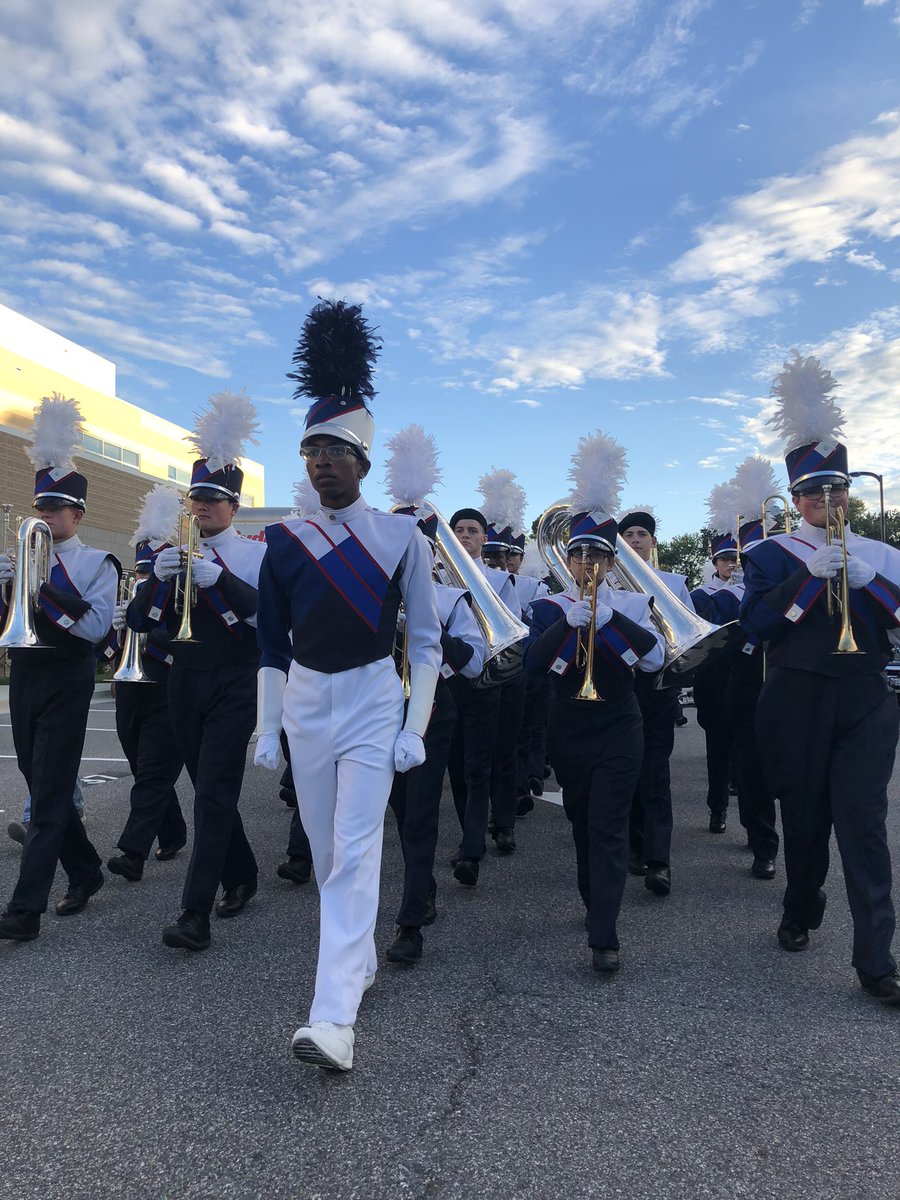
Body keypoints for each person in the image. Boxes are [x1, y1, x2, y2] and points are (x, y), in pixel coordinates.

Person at [255, 300, 441, 1071]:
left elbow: (425, 641)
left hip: (371, 698)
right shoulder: (285, 541)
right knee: (330, 854)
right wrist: (268, 725)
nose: (322, 461)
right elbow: (270, 640)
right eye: (311, 451)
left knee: (358, 850)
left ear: (362, 462)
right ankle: (356, 959)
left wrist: (415, 727)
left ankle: (334, 1020)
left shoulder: (403, 538)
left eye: (336, 448)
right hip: (305, 701)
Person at [741, 352, 900, 1005]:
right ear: (797, 500)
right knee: (805, 825)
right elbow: (756, 627)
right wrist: (807, 581)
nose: (826, 501)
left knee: (863, 823)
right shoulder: (770, 554)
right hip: (796, 695)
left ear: (848, 494)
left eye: (836, 490)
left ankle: (876, 959)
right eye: (814, 493)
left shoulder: (882, 554)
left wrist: (872, 586)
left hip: (865, 696)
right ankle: (800, 905)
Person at [127, 390, 266, 952]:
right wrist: (158, 579)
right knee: (207, 787)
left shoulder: (256, 553)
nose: (203, 506)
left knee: (213, 791)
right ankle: (242, 872)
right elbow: (139, 621)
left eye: (214, 498)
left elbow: (267, 619)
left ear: (233, 504)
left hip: (236, 675)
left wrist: (222, 581)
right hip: (182, 677)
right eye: (196, 498)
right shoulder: (173, 551)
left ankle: (194, 913)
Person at [525, 432, 664, 973]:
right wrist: (568, 623)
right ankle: (593, 901)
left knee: (608, 824)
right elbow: (537, 666)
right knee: (583, 824)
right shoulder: (548, 603)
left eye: (597, 555)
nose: (587, 562)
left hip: (618, 724)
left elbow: (652, 661)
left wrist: (609, 623)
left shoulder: (634, 601)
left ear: (610, 562)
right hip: (569, 724)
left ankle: (605, 932)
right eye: (580, 553)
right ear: (569, 558)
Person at [0, 394, 118, 942]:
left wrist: (42, 585)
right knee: (38, 780)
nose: (44, 516)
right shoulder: (26, 557)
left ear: (78, 514)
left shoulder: (98, 563)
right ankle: (86, 868)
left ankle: (24, 911)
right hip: (24, 676)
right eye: (40, 507)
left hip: (68, 677)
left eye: (54, 509)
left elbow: (96, 630)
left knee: (48, 798)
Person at [106, 484, 187, 882]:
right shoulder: (133, 593)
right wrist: (116, 631)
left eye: (147, 570)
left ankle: (132, 853)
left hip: (167, 687)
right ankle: (172, 831)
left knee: (154, 772)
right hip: (130, 689)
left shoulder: (176, 593)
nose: (141, 577)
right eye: (138, 570)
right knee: (142, 769)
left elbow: (180, 640)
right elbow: (103, 654)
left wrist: (147, 630)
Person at [618, 507, 692, 895]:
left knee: (656, 773)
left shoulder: (674, 582)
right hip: (619, 686)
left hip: (658, 686)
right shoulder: (607, 583)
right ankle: (634, 845)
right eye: (627, 535)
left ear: (652, 542)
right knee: (627, 771)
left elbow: (688, 635)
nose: (634, 540)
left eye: (641, 535)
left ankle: (659, 859)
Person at [445, 506, 520, 880]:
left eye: (472, 530)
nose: (464, 535)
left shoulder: (500, 580)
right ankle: (468, 835)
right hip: (447, 679)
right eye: (458, 529)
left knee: (479, 765)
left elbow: (514, 627)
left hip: (487, 679)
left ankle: (472, 849)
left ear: (484, 538)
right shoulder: (437, 576)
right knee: (456, 765)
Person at [691, 512, 739, 834]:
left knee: (750, 750)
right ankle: (717, 808)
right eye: (725, 559)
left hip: (748, 677)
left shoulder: (755, 589)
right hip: (715, 679)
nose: (731, 564)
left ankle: (755, 824)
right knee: (718, 747)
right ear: (715, 562)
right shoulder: (700, 595)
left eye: (736, 558)